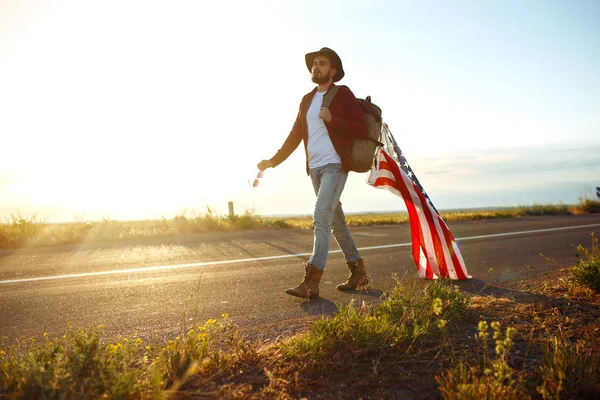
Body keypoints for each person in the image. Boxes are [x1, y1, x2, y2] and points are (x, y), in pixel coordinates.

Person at [257, 47, 370, 299]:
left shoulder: (342, 94)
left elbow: (361, 128)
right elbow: (296, 134)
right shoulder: (307, 100)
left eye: (321, 63)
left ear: (333, 70)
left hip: (335, 165)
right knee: (336, 223)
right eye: (314, 64)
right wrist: (273, 161)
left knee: (320, 216)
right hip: (315, 169)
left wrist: (333, 120)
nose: (316, 67)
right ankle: (358, 273)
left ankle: (311, 281)